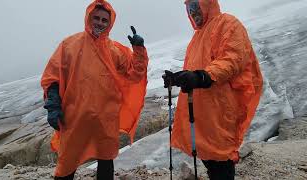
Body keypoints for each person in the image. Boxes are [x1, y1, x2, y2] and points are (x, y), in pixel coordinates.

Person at [41, 0, 148, 179]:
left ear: (110, 23)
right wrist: (53, 105)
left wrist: (139, 50)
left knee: (106, 162)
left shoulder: (115, 51)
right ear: (88, 18)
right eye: (96, 18)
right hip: (75, 118)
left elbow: (135, 74)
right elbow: (53, 77)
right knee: (67, 163)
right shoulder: (70, 45)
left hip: (105, 120)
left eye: (104, 20)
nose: (99, 23)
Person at [162, 0, 263, 179]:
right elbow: (196, 70)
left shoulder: (228, 24)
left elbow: (232, 59)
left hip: (220, 109)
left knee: (221, 159)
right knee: (208, 157)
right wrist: (177, 78)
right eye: (189, 8)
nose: (193, 12)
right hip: (202, 112)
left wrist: (203, 76)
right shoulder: (197, 38)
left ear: (206, 3)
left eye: (196, 6)